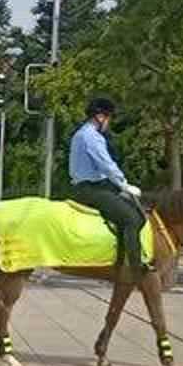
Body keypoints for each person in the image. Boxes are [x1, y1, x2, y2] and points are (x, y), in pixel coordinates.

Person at [67, 97, 149, 276]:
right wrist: (124, 185)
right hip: (91, 189)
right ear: (100, 117)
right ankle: (135, 267)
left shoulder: (80, 134)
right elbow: (106, 164)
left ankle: (119, 258)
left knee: (126, 210)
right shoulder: (92, 137)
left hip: (89, 186)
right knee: (132, 219)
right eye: (109, 118)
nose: (109, 123)